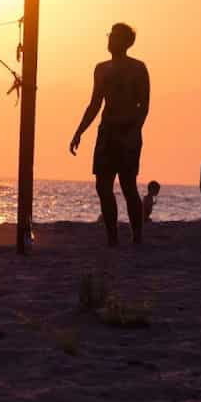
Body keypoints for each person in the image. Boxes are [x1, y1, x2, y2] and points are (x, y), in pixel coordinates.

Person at [69, 22, 151, 245]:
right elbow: (95, 104)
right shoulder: (101, 69)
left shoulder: (138, 68)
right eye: (110, 35)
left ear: (126, 42)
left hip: (128, 133)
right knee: (103, 187)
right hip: (106, 133)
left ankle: (137, 237)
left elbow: (144, 106)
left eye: (115, 37)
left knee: (128, 186)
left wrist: (134, 132)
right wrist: (79, 132)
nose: (110, 40)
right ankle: (112, 237)